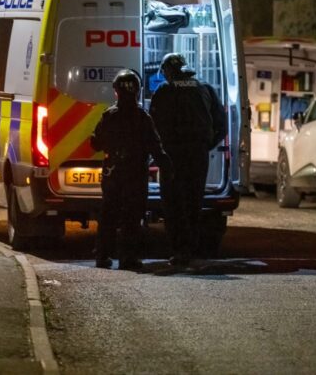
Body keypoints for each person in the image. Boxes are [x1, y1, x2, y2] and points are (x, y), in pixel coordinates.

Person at [149, 53, 226, 266]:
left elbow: (152, 125)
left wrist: (156, 153)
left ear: (167, 71)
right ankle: (191, 248)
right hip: (198, 156)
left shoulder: (164, 91)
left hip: (173, 157)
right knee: (193, 202)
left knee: (173, 204)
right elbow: (221, 124)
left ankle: (179, 250)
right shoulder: (205, 89)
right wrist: (207, 145)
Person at [91, 69, 173, 270]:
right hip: (136, 174)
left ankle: (102, 256)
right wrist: (168, 167)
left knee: (108, 214)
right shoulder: (143, 117)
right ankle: (128, 258)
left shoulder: (109, 116)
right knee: (132, 216)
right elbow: (156, 145)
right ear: (137, 91)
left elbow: (95, 143)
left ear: (116, 92)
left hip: (113, 172)